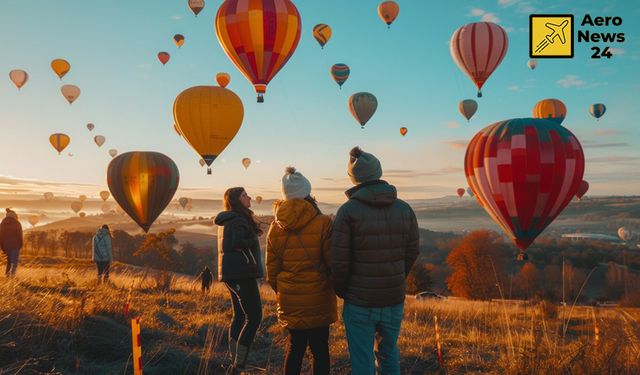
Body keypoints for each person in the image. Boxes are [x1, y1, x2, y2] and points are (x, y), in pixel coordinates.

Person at [331, 147, 420, 375]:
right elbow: (412, 252)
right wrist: (397, 277)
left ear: (354, 178)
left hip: (359, 300)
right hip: (393, 298)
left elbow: (340, 261)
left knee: (362, 361)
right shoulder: (404, 209)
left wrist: (343, 291)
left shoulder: (348, 211)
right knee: (389, 354)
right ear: (379, 172)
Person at [266, 167, 336, 375]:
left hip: (289, 297)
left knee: (294, 347)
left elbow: (272, 271)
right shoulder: (323, 222)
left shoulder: (275, 227)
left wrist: (284, 289)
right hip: (319, 296)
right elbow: (332, 262)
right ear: (308, 193)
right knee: (320, 350)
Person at [215, 187, 264, 374]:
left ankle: (234, 362)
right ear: (236, 200)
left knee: (240, 316)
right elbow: (237, 243)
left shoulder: (229, 218)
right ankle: (239, 366)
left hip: (232, 274)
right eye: (244, 195)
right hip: (242, 274)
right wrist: (252, 236)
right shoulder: (238, 220)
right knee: (255, 317)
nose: (249, 197)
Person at [0, 208, 23, 277]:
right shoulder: (17, 223)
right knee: (14, 261)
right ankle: (12, 275)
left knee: (9, 260)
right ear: (15, 215)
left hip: (5, 244)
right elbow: (19, 235)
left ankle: (7, 274)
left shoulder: (3, 222)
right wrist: (20, 244)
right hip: (15, 244)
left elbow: (0, 235)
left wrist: (2, 246)